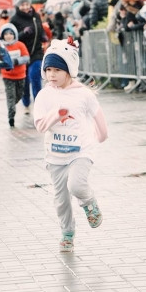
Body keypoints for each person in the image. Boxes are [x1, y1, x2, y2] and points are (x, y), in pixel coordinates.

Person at [33, 38, 109, 253]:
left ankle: (89, 202)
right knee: (61, 200)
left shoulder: (83, 93)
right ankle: (67, 233)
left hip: (81, 151)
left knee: (76, 185)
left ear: (69, 69)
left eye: (57, 69)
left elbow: (99, 118)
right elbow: (39, 126)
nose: (52, 75)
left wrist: (101, 136)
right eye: (48, 70)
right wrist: (56, 115)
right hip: (55, 155)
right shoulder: (44, 95)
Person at [10, 0, 48, 110]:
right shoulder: (14, 19)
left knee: (35, 77)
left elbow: (40, 28)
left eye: (27, 4)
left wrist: (43, 35)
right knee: (25, 81)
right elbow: (11, 37)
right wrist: (23, 33)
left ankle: (39, 104)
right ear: (18, 6)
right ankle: (25, 100)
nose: (26, 7)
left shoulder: (35, 15)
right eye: (23, 5)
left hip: (36, 52)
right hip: (22, 55)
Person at [0, 23, 30, 127]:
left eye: (11, 33)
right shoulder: (1, 47)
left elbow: (26, 57)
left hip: (20, 75)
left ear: (15, 34)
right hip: (7, 76)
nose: (8, 36)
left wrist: (16, 61)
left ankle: (12, 105)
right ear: (2, 35)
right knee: (10, 96)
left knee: (19, 94)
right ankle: (11, 116)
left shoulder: (20, 45)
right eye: (6, 34)